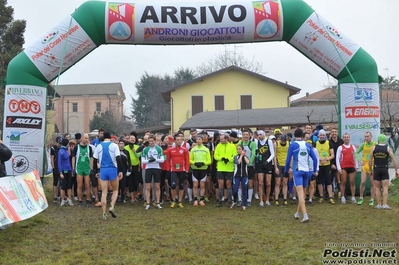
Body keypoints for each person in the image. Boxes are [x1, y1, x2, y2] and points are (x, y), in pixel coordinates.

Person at [285, 129, 318, 223]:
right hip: (307, 171)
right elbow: (315, 159)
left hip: (298, 171)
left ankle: (305, 215)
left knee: (300, 194)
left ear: (294, 136)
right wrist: (315, 171)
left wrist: (286, 170)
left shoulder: (293, 145)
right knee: (303, 194)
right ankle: (297, 213)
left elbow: (288, 160)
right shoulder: (307, 145)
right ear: (303, 136)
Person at [93, 132, 123, 220]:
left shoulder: (99, 146)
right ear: (110, 137)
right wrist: (120, 170)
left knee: (104, 192)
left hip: (103, 170)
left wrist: (96, 171)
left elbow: (95, 160)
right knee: (115, 190)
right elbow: (118, 158)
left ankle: (104, 213)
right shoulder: (114, 145)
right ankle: (112, 206)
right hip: (112, 169)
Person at [369, 134, 399, 209]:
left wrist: (370, 170)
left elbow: (370, 160)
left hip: (376, 169)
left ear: (378, 140)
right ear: (385, 140)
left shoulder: (374, 148)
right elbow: (393, 159)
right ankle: (384, 204)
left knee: (377, 188)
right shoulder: (387, 148)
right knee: (385, 187)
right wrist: (396, 170)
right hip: (384, 169)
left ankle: (379, 204)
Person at [141, 134, 165, 210]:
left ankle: (158, 202)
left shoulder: (159, 149)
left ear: (155, 141)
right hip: (148, 169)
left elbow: (162, 159)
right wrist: (149, 160)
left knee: (157, 186)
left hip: (156, 168)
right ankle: (148, 203)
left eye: (152, 141)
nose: (151, 142)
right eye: (149, 141)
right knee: (148, 187)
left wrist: (155, 160)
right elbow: (143, 161)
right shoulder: (145, 149)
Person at [214, 133, 237, 207]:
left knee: (228, 184)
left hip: (229, 168)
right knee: (220, 184)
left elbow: (234, 156)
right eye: (220, 139)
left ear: (226, 139)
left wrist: (228, 159)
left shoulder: (232, 146)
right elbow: (215, 156)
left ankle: (229, 200)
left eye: (222, 139)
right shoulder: (218, 146)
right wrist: (221, 158)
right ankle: (220, 200)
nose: (220, 140)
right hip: (220, 168)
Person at [71, 133, 93, 207]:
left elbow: (91, 158)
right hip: (79, 168)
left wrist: (91, 169)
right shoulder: (77, 147)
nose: (87, 140)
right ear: (82, 138)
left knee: (87, 185)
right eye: (85, 138)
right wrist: (73, 168)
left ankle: (87, 200)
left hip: (87, 168)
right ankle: (80, 200)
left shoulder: (89, 148)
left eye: (88, 138)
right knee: (79, 185)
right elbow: (73, 157)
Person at [190, 134, 212, 207]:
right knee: (195, 185)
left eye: (199, 139)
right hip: (195, 169)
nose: (198, 141)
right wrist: (195, 163)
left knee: (202, 185)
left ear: (202, 140)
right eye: (197, 139)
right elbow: (190, 160)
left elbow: (209, 160)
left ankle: (202, 199)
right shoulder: (193, 149)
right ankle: (195, 199)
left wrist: (203, 163)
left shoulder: (206, 149)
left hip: (203, 169)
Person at [336, 133, 358, 204]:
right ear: (343, 138)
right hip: (344, 168)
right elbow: (337, 158)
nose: (346, 138)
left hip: (352, 167)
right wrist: (339, 168)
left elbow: (355, 157)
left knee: (352, 182)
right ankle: (343, 197)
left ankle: (353, 197)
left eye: (347, 137)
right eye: (345, 137)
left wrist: (356, 167)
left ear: (349, 138)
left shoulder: (353, 147)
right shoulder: (340, 147)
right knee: (343, 182)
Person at [254, 130, 275, 207]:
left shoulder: (269, 141)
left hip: (268, 164)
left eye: (260, 135)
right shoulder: (257, 142)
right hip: (260, 164)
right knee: (260, 182)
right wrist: (256, 155)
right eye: (258, 135)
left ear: (263, 135)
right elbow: (256, 152)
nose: (259, 136)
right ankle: (261, 201)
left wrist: (267, 161)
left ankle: (267, 199)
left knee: (268, 183)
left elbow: (272, 153)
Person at [356, 131, 377, 206]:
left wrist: (376, 162)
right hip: (365, 165)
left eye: (367, 136)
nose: (366, 138)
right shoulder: (363, 144)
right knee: (363, 182)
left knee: (372, 183)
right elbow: (356, 152)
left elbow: (379, 153)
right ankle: (361, 198)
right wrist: (360, 160)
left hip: (372, 166)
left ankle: (372, 199)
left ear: (371, 137)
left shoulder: (375, 144)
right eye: (365, 136)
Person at [169, 135, 190, 208]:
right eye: (177, 140)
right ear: (175, 141)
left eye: (180, 140)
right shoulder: (171, 150)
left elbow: (187, 161)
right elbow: (168, 160)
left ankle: (180, 201)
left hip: (182, 170)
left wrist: (187, 170)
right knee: (173, 185)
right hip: (173, 170)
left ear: (182, 141)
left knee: (181, 186)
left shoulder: (185, 150)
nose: (179, 141)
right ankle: (174, 200)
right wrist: (169, 169)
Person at [315, 129, 335, 204]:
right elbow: (314, 155)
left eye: (323, 135)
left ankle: (330, 197)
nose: (322, 136)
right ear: (318, 136)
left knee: (329, 181)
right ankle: (321, 196)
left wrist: (326, 159)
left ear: (325, 136)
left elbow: (332, 155)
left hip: (327, 165)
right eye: (321, 135)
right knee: (319, 181)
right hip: (319, 165)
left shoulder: (329, 143)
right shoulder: (316, 143)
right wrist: (320, 159)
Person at [240, 129, 256, 207]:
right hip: (242, 166)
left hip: (250, 166)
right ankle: (240, 199)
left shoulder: (252, 143)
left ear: (250, 135)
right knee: (240, 183)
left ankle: (249, 200)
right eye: (244, 135)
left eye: (247, 134)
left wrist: (249, 163)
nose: (245, 136)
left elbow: (253, 154)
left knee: (250, 183)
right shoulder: (240, 143)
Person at [232, 145, 249, 210]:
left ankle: (244, 204)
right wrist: (241, 156)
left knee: (244, 190)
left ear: (242, 150)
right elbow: (238, 162)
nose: (238, 150)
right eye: (237, 149)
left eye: (240, 149)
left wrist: (244, 156)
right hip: (237, 176)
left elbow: (248, 162)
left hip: (244, 176)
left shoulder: (246, 156)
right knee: (235, 190)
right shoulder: (235, 157)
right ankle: (235, 201)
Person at [58, 138, 74, 206]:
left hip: (68, 170)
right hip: (63, 171)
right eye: (68, 144)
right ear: (66, 144)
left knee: (69, 186)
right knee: (63, 186)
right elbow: (59, 163)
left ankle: (69, 199)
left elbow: (68, 157)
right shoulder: (61, 151)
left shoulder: (66, 150)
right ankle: (63, 200)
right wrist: (61, 172)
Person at [275, 134, 290, 206]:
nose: (283, 142)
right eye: (282, 141)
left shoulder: (289, 144)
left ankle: (285, 199)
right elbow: (274, 156)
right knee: (278, 182)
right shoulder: (276, 144)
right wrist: (275, 167)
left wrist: (290, 166)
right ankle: (276, 199)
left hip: (286, 165)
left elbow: (290, 155)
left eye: (284, 141)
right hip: (278, 164)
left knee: (285, 182)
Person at [51, 136, 62, 203]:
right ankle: (55, 197)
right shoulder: (53, 148)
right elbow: (52, 158)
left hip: (61, 167)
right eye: (59, 143)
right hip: (55, 167)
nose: (60, 145)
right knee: (55, 182)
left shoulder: (62, 148)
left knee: (61, 182)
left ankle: (61, 196)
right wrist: (53, 167)